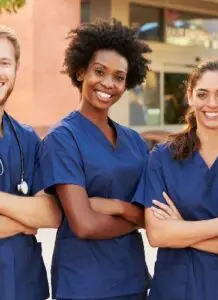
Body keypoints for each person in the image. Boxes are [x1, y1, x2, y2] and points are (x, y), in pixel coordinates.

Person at [36, 20, 151, 300]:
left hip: (133, 282)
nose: (108, 84)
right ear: (80, 71)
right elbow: (84, 225)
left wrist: (114, 205)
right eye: (99, 71)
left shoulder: (134, 141)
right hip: (84, 285)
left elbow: (149, 215)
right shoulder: (63, 138)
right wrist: (133, 217)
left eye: (119, 76)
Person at [133, 59, 218, 300]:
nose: (212, 104)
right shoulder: (162, 158)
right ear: (190, 97)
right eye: (202, 94)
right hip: (177, 290)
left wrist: (183, 232)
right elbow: (158, 235)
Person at [0, 25, 62, 300]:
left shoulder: (27, 139)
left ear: (16, 70)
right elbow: (36, 216)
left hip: (23, 287)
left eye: (4, 63)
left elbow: (51, 214)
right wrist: (26, 220)